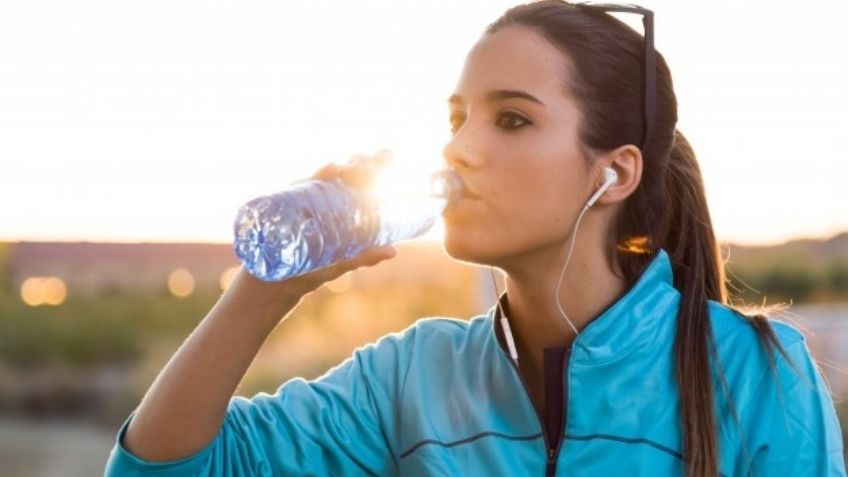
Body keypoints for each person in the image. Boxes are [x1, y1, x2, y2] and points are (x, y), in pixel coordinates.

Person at [104, 1, 846, 476]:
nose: (458, 148)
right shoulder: (408, 378)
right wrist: (264, 292)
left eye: (512, 119)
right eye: (457, 117)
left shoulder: (756, 372)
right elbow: (167, 470)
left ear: (615, 172)